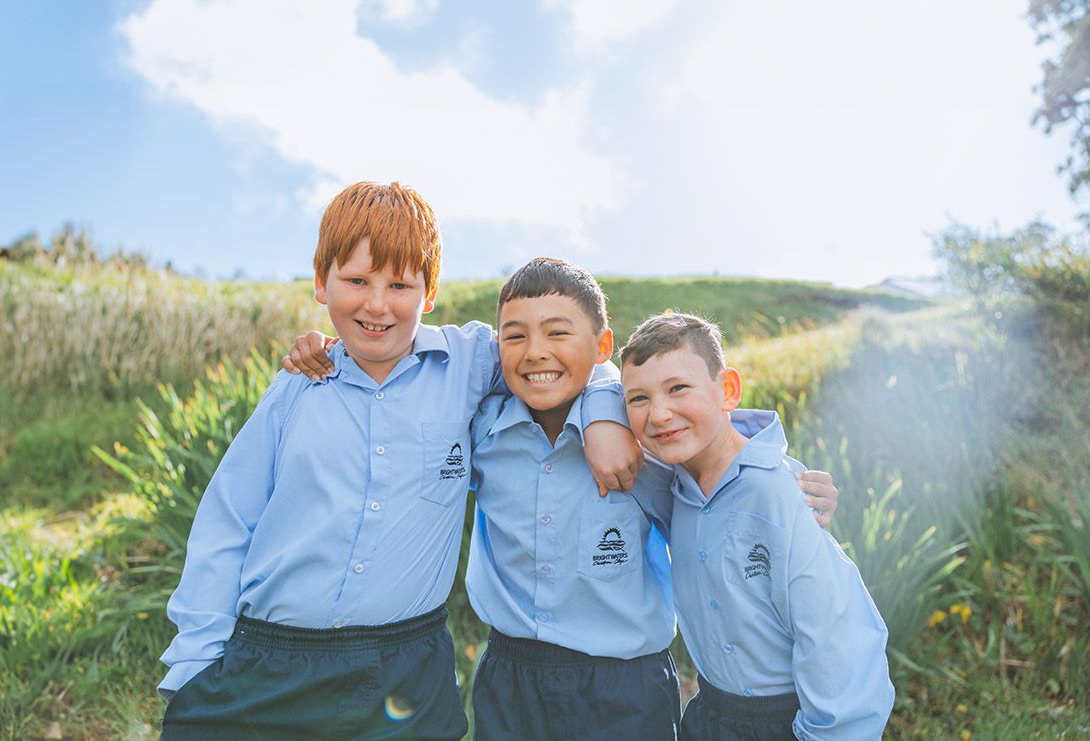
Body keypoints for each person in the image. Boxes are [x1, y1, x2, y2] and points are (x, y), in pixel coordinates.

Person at [157, 181, 639, 739]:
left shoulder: (470, 361)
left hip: (407, 670)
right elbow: (226, 523)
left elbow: (566, 351)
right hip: (270, 659)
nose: (377, 304)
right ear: (321, 283)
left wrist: (604, 410)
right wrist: (193, 663)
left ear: (428, 292)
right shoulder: (295, 388)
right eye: (356, 281)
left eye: (400, 284)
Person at [284, 258, 840, 739]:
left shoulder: (639, 435)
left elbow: (714, 467)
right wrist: (333, 350)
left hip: (627, 686)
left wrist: (786, 484)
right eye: (515, 336)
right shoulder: (482, 433)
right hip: (510, 676)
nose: (535, 353)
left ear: (601, 347)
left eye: (557, 333)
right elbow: (404, 405)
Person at [620, 312, 894, 739]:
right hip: (709, 715)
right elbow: (589, 388)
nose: (659, 414)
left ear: (727, 389)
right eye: (638, 398)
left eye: (678, 389)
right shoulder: (671, 483)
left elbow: (836, 640)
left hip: (786, 721)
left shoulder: (782, 494)